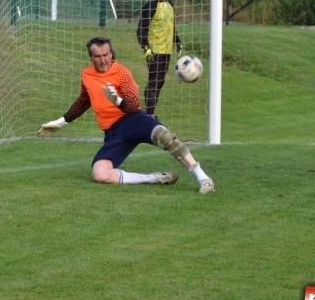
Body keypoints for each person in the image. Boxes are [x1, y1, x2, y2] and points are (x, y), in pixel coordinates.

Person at [38, 36, 214, 194]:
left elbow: (134, 105)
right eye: (98, 56)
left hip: (134, 120)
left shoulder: (121, 72)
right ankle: (153, 178)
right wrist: (61, 122)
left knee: (165, 136)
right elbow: (84, 100)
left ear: (111, 53)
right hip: (113, 132)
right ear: (91, 58)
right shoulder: (87, 75)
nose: (103, 60)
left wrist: (118, 101)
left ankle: (203, 178)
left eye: (106, 54)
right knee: (100, 173)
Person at [137, 0, 182, 118]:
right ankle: (149, 114)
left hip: (166, 50)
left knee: (160, 80)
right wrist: (146, 48)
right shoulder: (150, 5)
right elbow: (141, 29)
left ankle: (150, 111)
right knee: (154, 80)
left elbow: (171, 26)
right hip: (154, 50)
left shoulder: (170, 4)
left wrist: (177, 41)